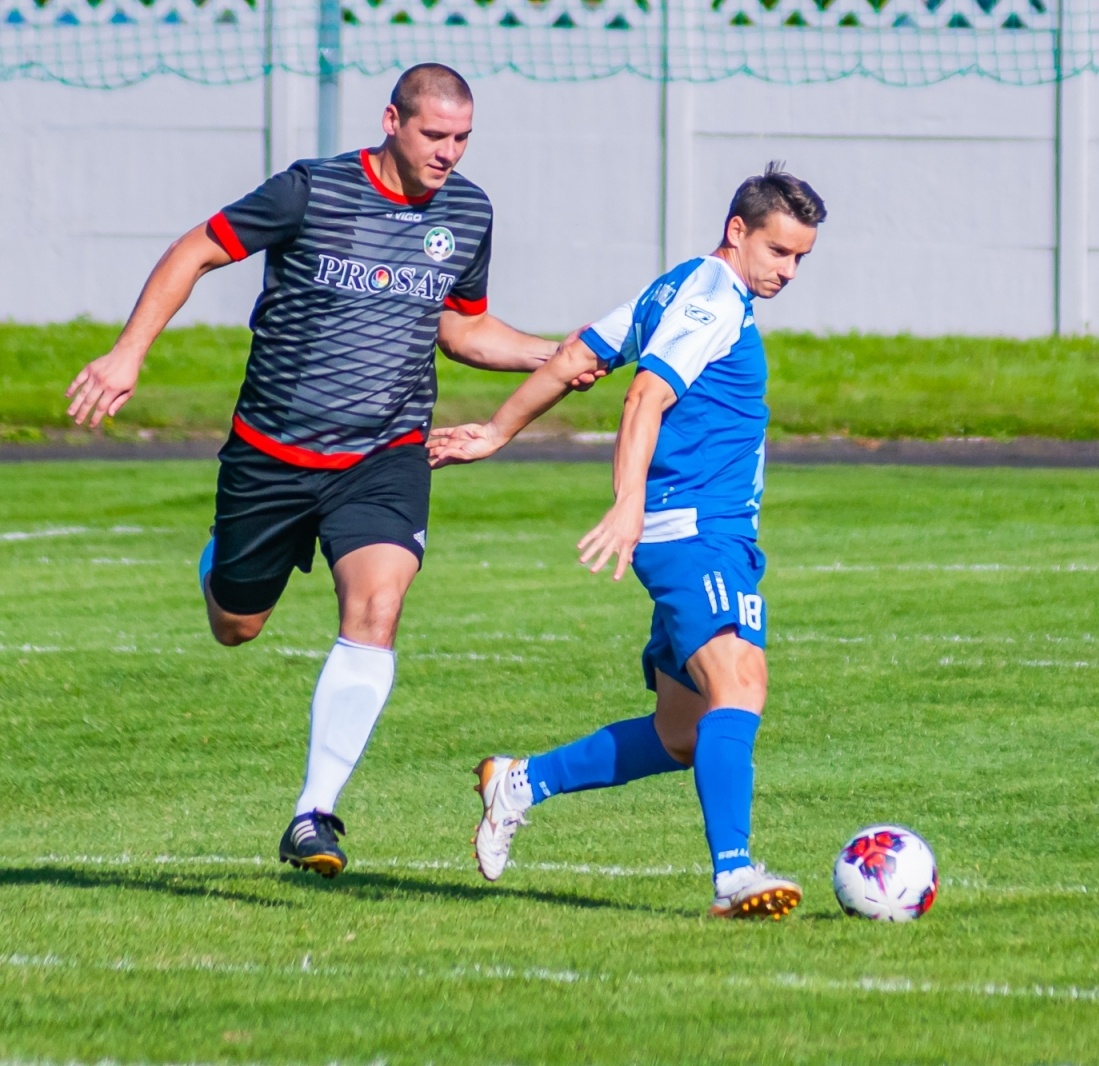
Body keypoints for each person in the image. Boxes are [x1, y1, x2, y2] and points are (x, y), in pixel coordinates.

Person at [65, 63, 596, 879]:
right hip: (271, 453)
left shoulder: (467, 211)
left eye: (462, 138)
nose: (449, 153)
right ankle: (224, 562)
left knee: (378, 606)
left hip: (383, 454)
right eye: (434, 135)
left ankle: (313, 814)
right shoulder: (310, 191)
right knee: (236, 624)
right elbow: (196, 249)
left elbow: (463, 332)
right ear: (392, 121)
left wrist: (553, 356)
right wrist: (130, 350)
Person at [428, 162, 826, 919]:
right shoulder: (712, 301)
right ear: (737, 232)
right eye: (779, 252)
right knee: (740, 685)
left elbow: (578, 356)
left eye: (802, 257)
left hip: (695, 533)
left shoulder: (673, 289)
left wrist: (495, 431)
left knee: (680, 734)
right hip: (696, 534)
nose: (790, 271)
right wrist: (628, 504)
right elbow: (646, 393)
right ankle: (733, 875)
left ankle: (518, 782)